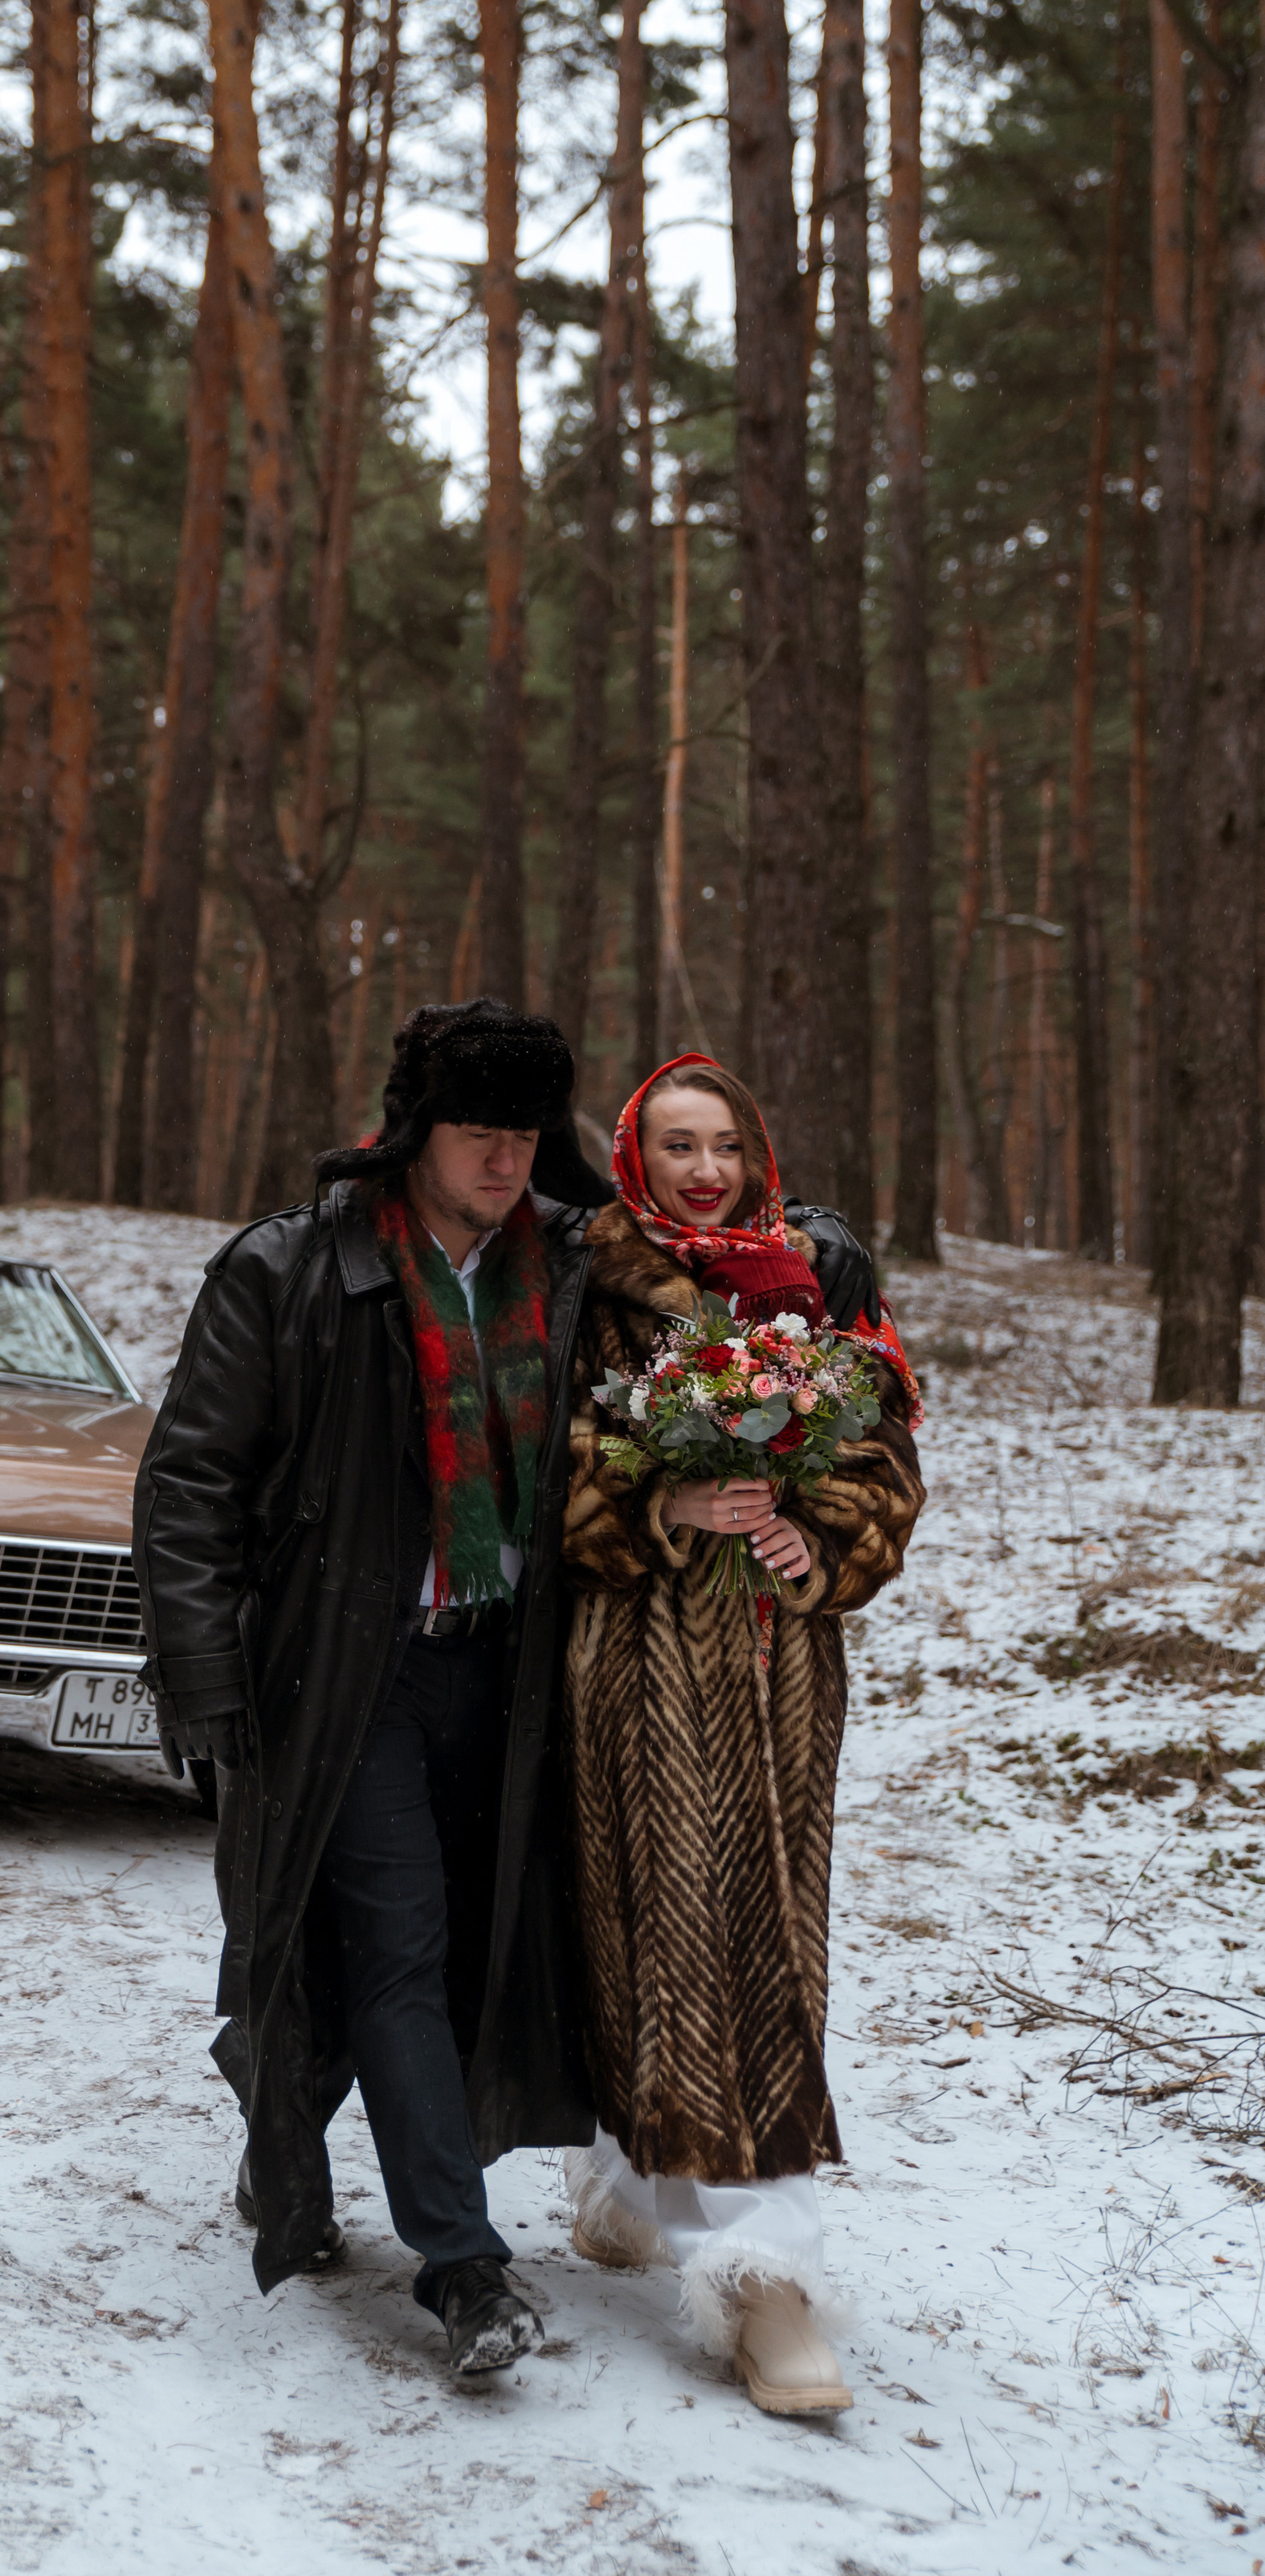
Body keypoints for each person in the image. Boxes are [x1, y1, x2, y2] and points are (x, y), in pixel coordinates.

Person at [131, 1001, 879, 2381]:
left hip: (520, 1675)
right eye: (476, 1131)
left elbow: (712, 1264)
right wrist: (206, 1684)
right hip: (351, 1674)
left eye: (524, 1133)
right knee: (401, 1944)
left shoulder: (563, 1263)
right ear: (416, 1130)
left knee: (467, 1950)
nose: (501, 1157)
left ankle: (288, 2119)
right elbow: (188, 1488)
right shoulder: (293, 1271)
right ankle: (465, 2267)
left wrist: (819, 1257)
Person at [558, 1052, 924, 2417]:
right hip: (637, 1671)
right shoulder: (587, 1285)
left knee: (754, 1933)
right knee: (683, 1933)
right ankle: (760, 2275)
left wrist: (811, 1534)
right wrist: (663, 1505)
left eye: (723, 1145)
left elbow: (887, 1461)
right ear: (633, 1159)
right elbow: (545, 1476)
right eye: (676, 1148)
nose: (703, 1170)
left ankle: (650, 2188)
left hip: (783, 1671)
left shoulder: (812, 1283)